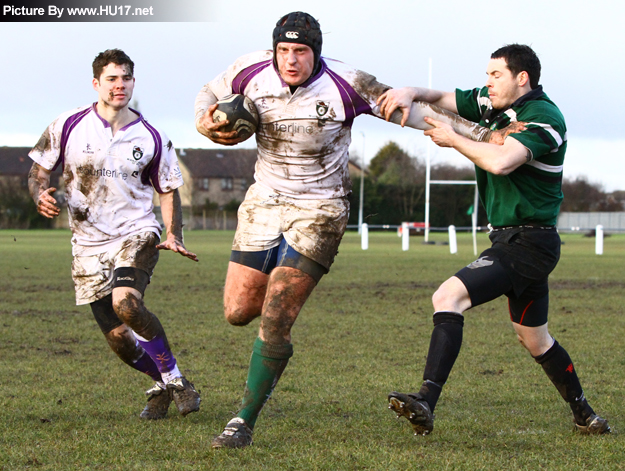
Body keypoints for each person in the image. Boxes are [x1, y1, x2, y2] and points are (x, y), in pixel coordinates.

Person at [195, 12, 521, 449]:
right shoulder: (248, 70)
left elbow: (414, 111)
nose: (291, 61)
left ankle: (242, 421)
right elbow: (208, 94)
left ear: (317, 52)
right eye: (284, 51)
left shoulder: (347, 83)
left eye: (301, 52)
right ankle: (275, 297)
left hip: (321, 209)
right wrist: (206, 122)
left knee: (275, 318)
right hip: (263, 202)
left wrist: (483, 133)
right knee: (237, 311)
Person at [378, 44, 610, 436]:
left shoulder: (544, 116)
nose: (487, 82)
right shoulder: (490, 103)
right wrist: (408, 91)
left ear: (523, 78)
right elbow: (440, 97)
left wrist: (454, 139)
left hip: (528, 242)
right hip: (515, 240)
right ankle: (585, 415)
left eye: (495, 75)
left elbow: (501, 162)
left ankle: (426, 400)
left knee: (447, 297)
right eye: (487, 75)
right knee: (535, 339)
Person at [28, 48, 201, 420]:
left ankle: (175, 379)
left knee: (126, 303)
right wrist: (38, 193)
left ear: (133, 82)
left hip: (135, 232)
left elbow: (167, 189)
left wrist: (173, 233)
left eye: (126, 78)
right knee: (119, 338)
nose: (119, 85)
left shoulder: (152, 135)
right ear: (96, 84)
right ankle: (164, 384)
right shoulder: (67, 125)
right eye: (112, 79)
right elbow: (38, 171)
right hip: (87, 243)